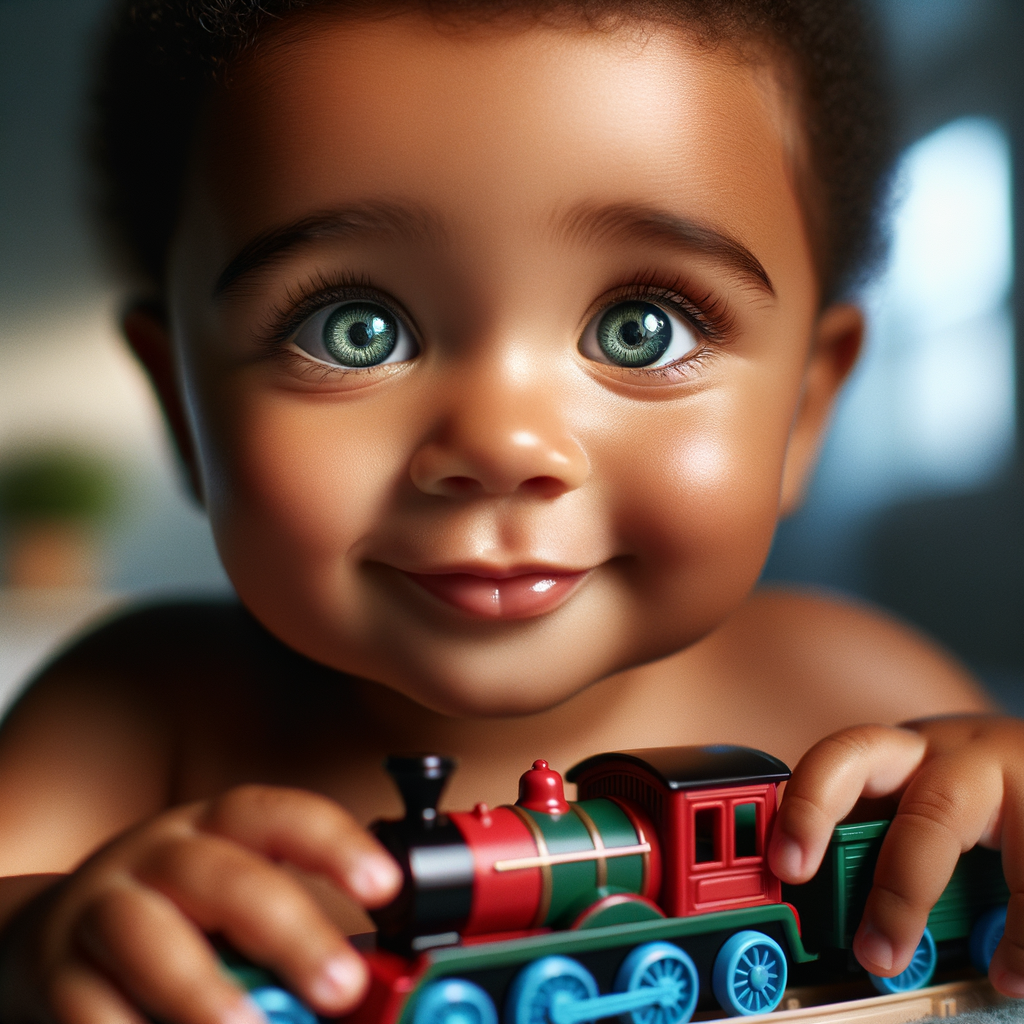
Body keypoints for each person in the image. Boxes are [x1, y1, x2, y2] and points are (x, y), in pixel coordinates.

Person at [0, 2, 1020, 1022]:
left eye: (640, 328)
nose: (501, 443)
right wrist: (40, 938)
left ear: (804, 408)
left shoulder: (861, 693)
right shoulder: (131, 717)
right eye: (355, 328)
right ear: (183, 405)